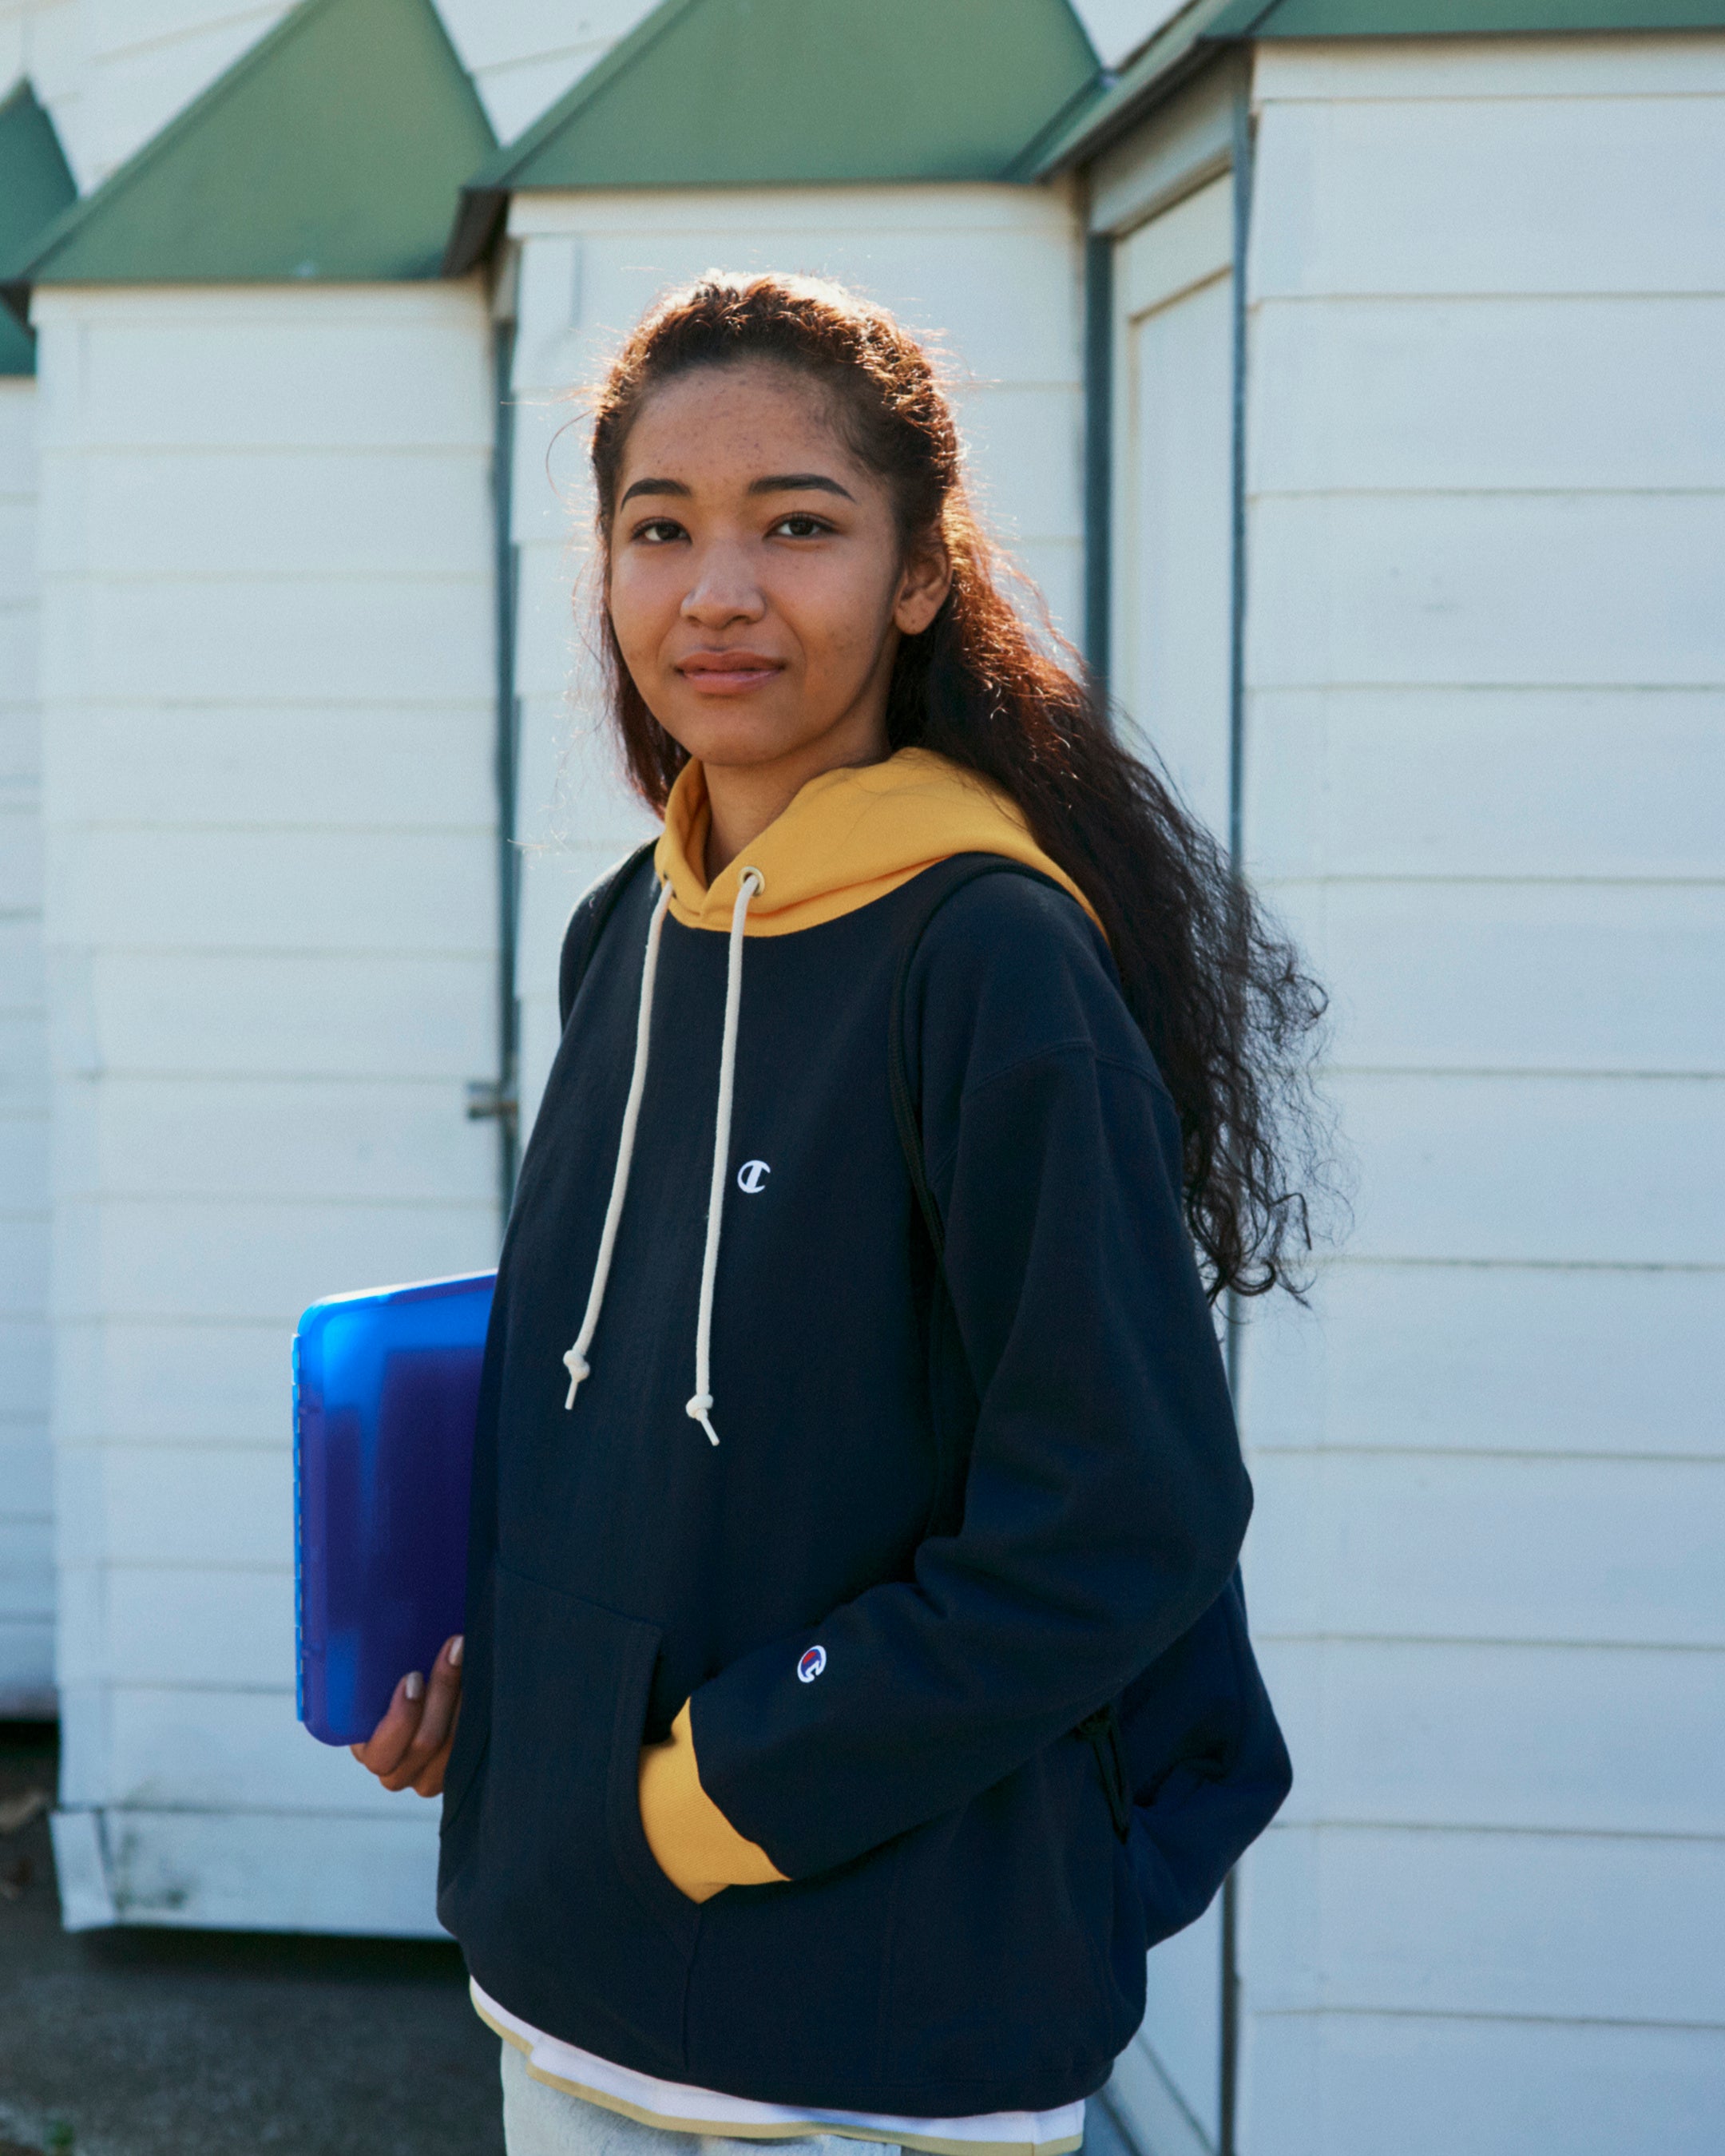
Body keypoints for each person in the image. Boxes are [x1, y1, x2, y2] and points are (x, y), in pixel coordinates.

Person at [352, 272, 1324, 2156]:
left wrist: (713, 1798)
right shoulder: (626, 933)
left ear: (920, 575)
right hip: (565, 1995)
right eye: (659, 531)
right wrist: (507, 1698)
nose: (716, 592)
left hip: (877, 2045)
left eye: (797, 526)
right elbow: (628, 1434)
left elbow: (1121, 1519)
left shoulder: (995, 962)